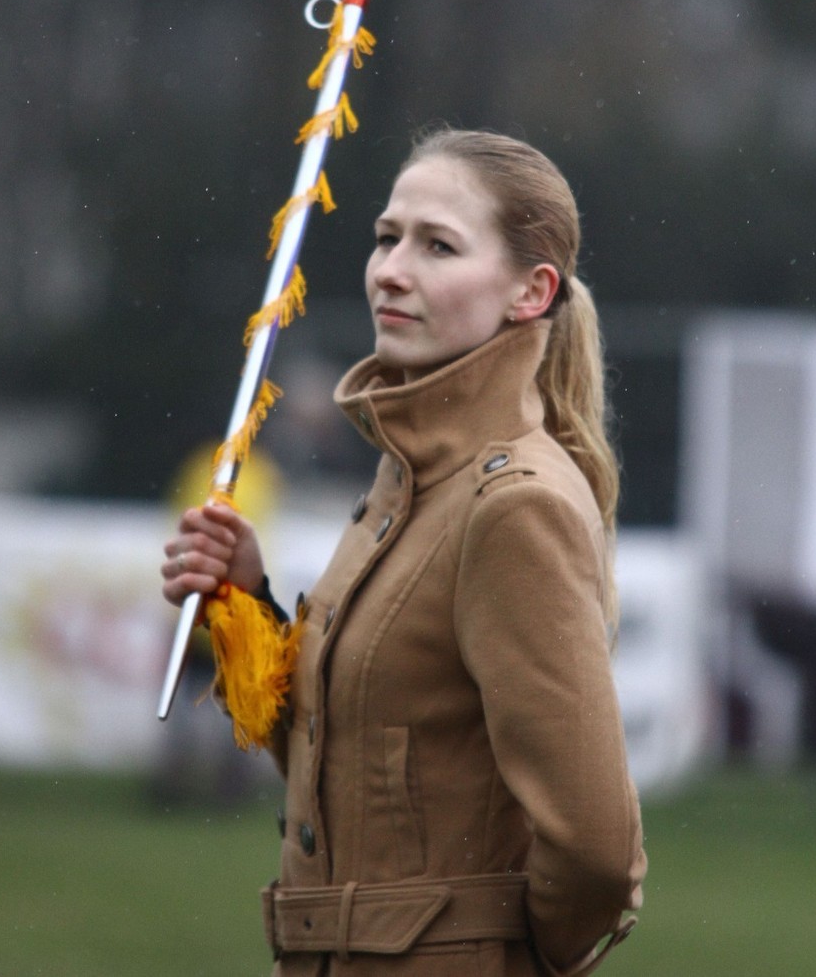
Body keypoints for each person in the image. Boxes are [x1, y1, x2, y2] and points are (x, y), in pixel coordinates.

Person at [162, 126, 646, 976]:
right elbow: (337, 752)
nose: (390, 269)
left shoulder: (514, 505)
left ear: (530, 292)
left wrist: (498, 957)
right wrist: (247, 604)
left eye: (438, 246)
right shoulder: (403, 480)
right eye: (387, 237)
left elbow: (598, 852)